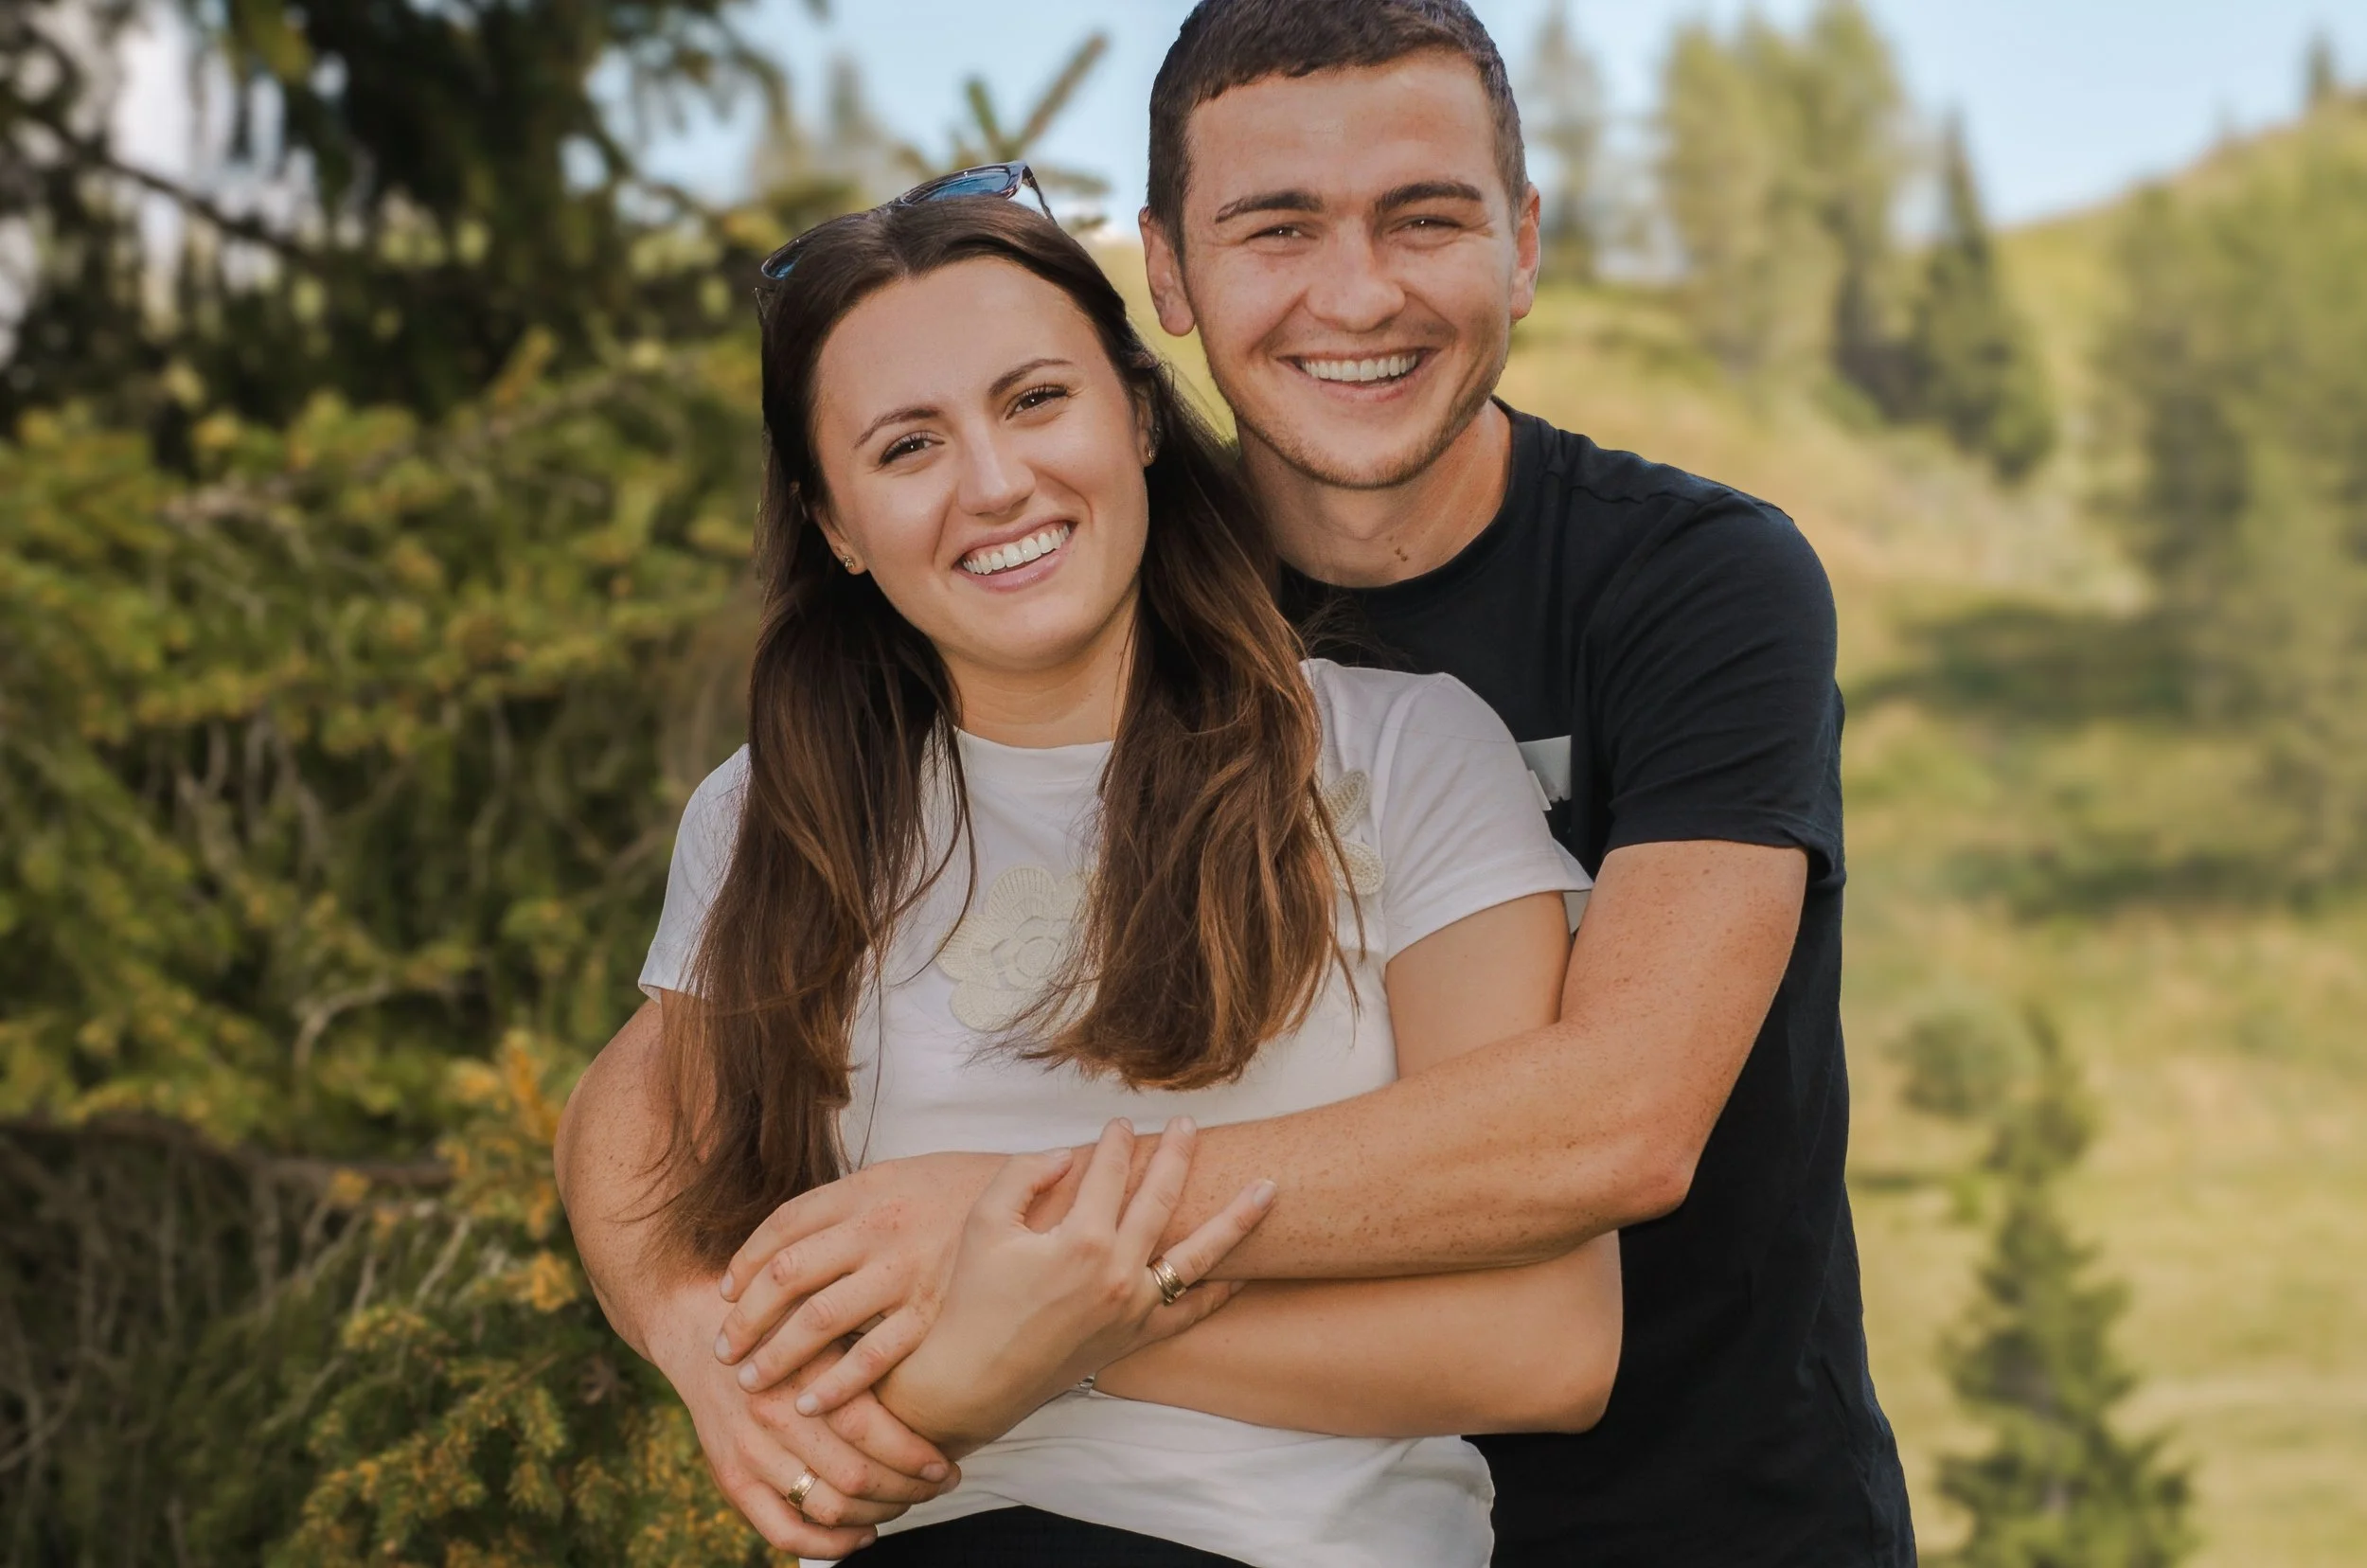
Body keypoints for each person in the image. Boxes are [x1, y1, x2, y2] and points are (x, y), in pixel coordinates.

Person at [559, 2, 1917, 1564]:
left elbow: (1619, 1118)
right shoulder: (1073, 586)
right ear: (1172, 282)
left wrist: (1025, 1255)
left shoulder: (1677, 590)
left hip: (1702, 1509)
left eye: (1426, 218)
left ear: (1525, 244)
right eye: (1278, 228)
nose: (1359, 292)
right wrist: (688, 1328)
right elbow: (646, 1087)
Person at [575, 182, 1622, 1568]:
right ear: (836, 525)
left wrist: (1058, 1329)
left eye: (1033, 400)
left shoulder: (1401, 754)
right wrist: (685, 1332)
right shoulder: (785, 806)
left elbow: (1546, 1344)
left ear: (1135, 412)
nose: (995, 483)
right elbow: (634, 1105)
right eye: (905, 447)